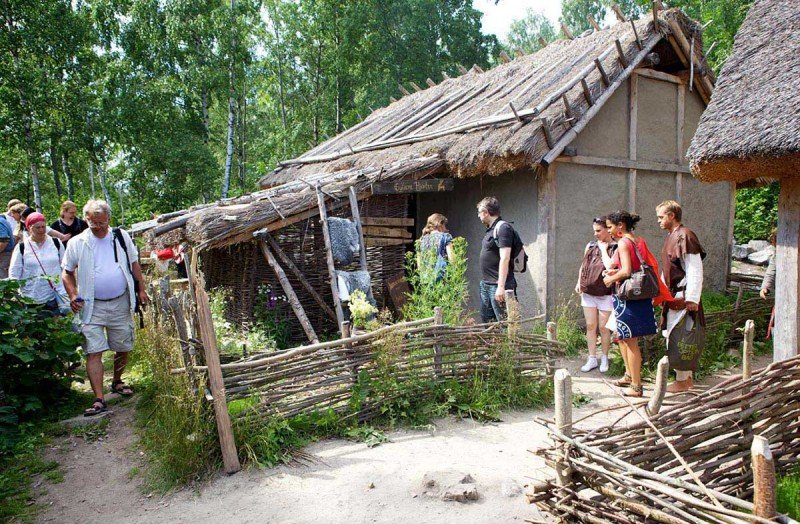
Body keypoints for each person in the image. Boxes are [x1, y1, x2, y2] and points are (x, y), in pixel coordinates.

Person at [62, 200, 149, 416]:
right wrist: (73, 295)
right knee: (94, 350)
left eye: (102, 222)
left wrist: (141, 290)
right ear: (86, 220)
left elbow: (134, 263)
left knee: (123, 345)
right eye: (93, 223)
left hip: (120, 300)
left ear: (108, 219)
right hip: (91, 305)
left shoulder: (121, 237)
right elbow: (66, 271)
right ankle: (99, 398)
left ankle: (117, 381)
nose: (98, 226)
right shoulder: (77, 242)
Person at [603, 211, 671, 397]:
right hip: (632, 296)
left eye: (610, 227)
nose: (608, 231)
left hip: (629, 297)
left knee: (631, 340)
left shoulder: (624, 243)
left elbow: (626, 271)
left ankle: (636, 385)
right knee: (623, 337)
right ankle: (628, 375)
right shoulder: (636, 240)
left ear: (620, 226)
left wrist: (610, 279)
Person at [657, 201, 707, 393]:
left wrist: (692, 298)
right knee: (675, 335)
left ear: (672, 215)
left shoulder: (685, 236)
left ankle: (683, 381)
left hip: (684, 297)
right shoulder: (672, 236)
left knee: (680, 337)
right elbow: (670, 268)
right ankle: (685, 378)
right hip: (673, 294)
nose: (659, 221)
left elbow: (694, 269)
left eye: (661, 217)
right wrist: (661, 291)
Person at [575, 216, 616, 373]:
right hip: (589, 292)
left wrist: (604, 249)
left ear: (607, 229)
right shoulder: (590, 245)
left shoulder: (615, 246)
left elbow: (610, 265)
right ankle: (592, 358)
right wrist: (579, 282)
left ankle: (604, 357)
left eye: (599, 230)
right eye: (594, 231)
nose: (596, 234)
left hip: (605, 293)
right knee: (591, 325)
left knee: (604, 328)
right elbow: (583, 265)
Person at [8, 212, 69, 314]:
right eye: (37, 227)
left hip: (55, 295)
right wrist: (15, 294)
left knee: (56, 327)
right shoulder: (21, 247)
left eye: (43, 227)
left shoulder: (56, 243)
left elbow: (65, 267)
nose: (41, 230)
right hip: (30, 297)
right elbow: (14, 272)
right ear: (29, 228)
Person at [477, 196, 517, 323]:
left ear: (486, 213)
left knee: (505, 323)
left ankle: (509, 344)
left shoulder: (503, 228)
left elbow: (505, 258)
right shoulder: (490, 229)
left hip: (498, 285)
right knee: (489, 323)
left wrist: (500, 286)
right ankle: (493, 343)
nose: (478, 216)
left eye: (479, 213)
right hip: (486, 284)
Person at [418, 213, 455, 280]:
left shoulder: (421, 240)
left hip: (425, 278)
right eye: (444, 225)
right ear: (440, 224)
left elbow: (419, 265)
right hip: (441, 276)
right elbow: (451, 259)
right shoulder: (445, 236)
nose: (445, 228)